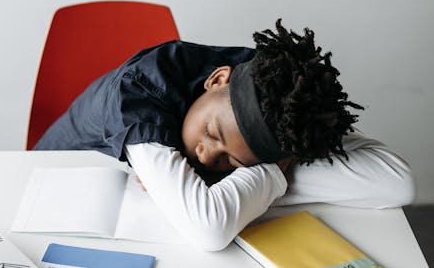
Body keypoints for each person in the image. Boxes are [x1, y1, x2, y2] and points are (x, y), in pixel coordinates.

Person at [34, 19, 415, 251]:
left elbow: (397, 183)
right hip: (49, 200)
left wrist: (248, 177)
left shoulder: (282, 99)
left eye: (231, 160)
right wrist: (269, 174)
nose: (203, 155)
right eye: (211, 133)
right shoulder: (140, 91)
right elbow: (209, 228)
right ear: (217, 79)